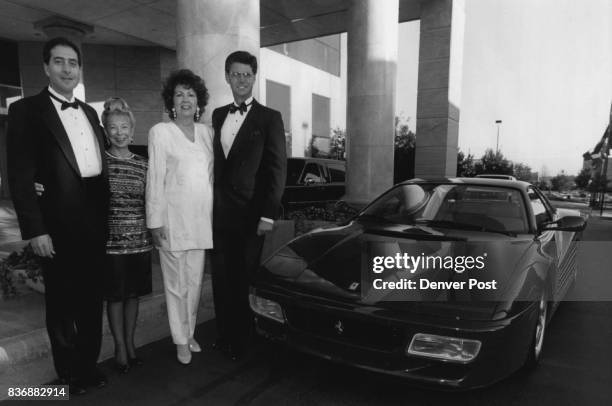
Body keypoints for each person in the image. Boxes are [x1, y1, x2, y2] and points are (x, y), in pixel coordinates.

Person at [7, 37, 109, 394]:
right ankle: (68, 373)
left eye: (73, 63)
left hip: (94, 223)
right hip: (56, 226)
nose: (68, 69)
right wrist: (36, 229)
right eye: (60, 62)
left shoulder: (91, 112)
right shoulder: (26, 111)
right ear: (46, 67)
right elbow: (19, 176)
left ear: (80, 69)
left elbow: (98, 167)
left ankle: (88, 364)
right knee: (63, 302)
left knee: (92, 299)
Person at [211, 51, 287, 360]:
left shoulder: (270, 117)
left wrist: (268, 214)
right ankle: (225, 335)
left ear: (254, 78)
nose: (241, 79)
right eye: (236, 74)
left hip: (251, 215)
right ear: (227, 77)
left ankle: (243, 340)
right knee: (220, 277)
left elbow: (277, 170)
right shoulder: (217, 115)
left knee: (243, 277)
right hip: (219, 214)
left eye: (247, 74)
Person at [146, 69, 214, 365]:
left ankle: (189, 332)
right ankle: (180, 341)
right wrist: (155, 222)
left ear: (199, 100)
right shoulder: (161, 132)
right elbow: (155, 178)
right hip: (172, 222)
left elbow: (210, 178)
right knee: (175, 286)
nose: (185, 99)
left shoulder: (207, 133)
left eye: (190, 93)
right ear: (170, 100)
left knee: (195, 284)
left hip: (200, 221)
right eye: (179, 94)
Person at [100, 98, 153, 372]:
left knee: (134, 296)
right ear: (105, 130)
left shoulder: (144, 164)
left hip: (140, 243)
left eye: (124, 127)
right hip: (111, 246)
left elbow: (153, 201)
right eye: (113, 127)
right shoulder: (100, 164)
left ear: (132, 130)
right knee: (116, 297)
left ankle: (131, 344)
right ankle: (120, 347)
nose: (119, 132)